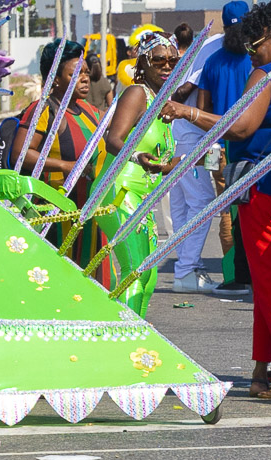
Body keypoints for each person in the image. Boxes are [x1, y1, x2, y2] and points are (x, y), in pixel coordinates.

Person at [187, 3, 271, 398]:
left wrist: (187, 112)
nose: (249, 51)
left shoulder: (267, 73)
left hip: (263, 189)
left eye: (255, 42)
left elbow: (240, 127)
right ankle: (261, 373)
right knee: (267, 283)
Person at [99, 29, 181, 315]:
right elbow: (114, 140)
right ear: (142, 63)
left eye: (173, 60)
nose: (167, 66)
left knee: (148, 276)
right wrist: (136, 156)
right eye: (159, 60)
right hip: (119, 192)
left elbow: (161, 162)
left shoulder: (164, 103)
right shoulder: (138, 93)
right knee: (134, 271)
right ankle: (124, 340)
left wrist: (194, 158)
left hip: (143, 198)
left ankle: (139, 336)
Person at [16, 39, 111, 283]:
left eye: (86, 73)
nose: (84, 78)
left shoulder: (91, 112)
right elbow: (21, 153)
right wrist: (66, 167)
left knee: (93, 283)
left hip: (91, 214)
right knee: (60, 281)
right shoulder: (43, 109)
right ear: (54, 79)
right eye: (75, 73)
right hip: (54, 216)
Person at [196, 1, 254, 295]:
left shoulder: (213, 62)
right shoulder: (257, 62)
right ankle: (254, 273)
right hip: (253, 144)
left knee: (227, 212)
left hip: (219, 147)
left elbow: (202, 108)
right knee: (254, 210)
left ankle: (234, 276)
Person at [169, 18, 227, 294]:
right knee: (202, 201)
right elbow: (186, 91)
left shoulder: (208, 45)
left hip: (180, 133)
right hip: (192, 133)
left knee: (182, 202)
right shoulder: (214, 47)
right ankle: (188, 268)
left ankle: (186, 268)